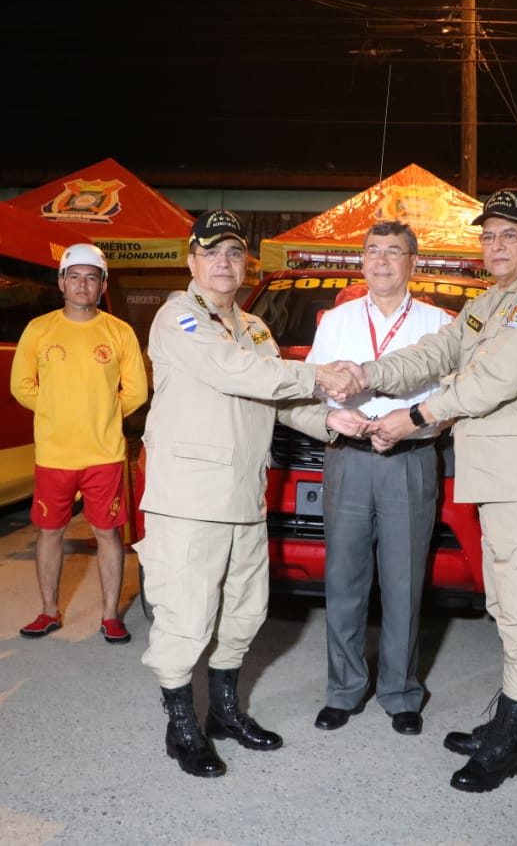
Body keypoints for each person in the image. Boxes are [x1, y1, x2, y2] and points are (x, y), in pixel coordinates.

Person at [349, 189, 517, 793]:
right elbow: (436, 351)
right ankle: (514, 722)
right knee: (509, 603)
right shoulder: (489, 303)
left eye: (510, 234)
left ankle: (510, 738)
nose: (496, 245)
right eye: (488, 236)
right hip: (503, 479)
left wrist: (415, 416)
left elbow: (493, 380)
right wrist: (370, 373)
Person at [138, 209, 364, 778]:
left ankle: (224, 712)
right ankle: (180, 727)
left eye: (234, 252)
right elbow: (236, 372)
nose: (223, 262)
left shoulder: (255, 328)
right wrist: (319, 375)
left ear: (246, 265)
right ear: (192, 260)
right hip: (189, 499)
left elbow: (278, 398)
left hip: (243, 495)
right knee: (187, 615)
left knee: (243, 611)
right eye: (211, 251)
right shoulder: (178, 317)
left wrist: (335, 422)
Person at [303, 220, 454, 737]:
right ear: (362, 261)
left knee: (403, 580)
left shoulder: (439, 323)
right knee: (344, 578)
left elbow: (451, 399)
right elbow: (312, 388)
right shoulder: (336, 321)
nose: (382, 261)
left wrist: (411, 426)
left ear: (414, 263)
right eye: (373, 251)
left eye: (394, 252)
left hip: (409, 458)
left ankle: (400, 692)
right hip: (348, 456)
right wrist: (334, 413)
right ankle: (343, 689)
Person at [10, 242, 148, 644]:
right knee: (49, 532)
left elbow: (136, 391)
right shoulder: (39, 329)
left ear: (103, 285)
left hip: (104, 454)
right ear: (61, 282)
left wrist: (102, 412)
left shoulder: (119, 332)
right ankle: (48, 611)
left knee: (108, 534)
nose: (82, 285)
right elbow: (21, 385)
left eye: (91, 278)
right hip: (54, 453)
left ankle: (110, 616)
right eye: (74, 277)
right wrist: (57, 410)